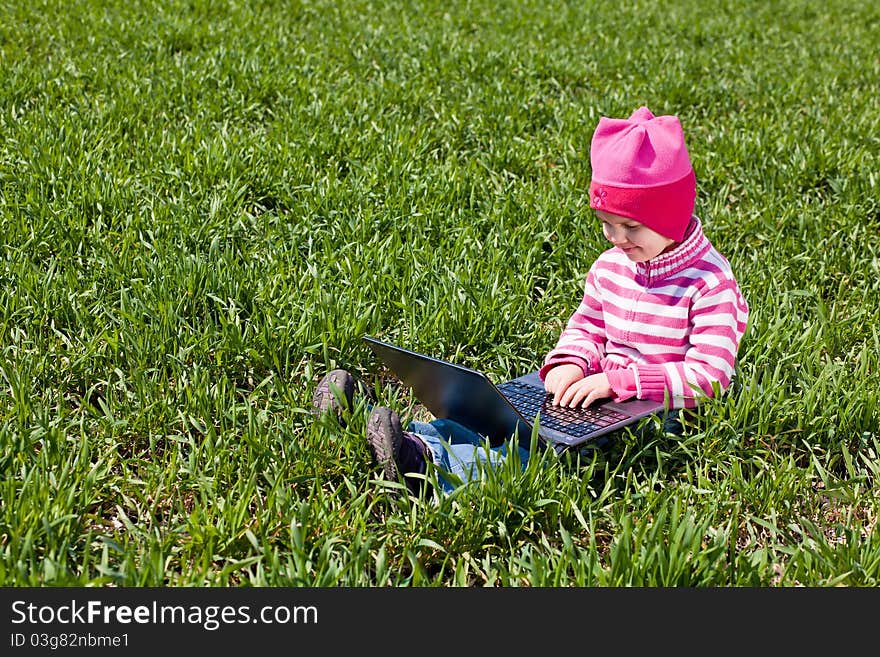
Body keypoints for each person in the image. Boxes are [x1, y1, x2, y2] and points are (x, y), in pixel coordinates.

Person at [312, 106, 749, 497]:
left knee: (537, 456)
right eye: (605, 223)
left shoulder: (709, 283)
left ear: (670, 214)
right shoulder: (611, 266)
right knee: (495, 416)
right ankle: (392, 433)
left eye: (630, 226)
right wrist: (570, 363)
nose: (615, 238)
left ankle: (425, 469)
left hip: (652, 418)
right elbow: (586, 327)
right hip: (591, 393)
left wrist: (620, 384)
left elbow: (709, 377)